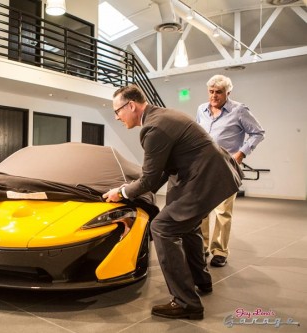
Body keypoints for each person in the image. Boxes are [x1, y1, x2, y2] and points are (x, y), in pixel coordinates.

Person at [102, 85, 243, 320]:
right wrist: (142, 191)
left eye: (117, 111)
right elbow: (163, 171)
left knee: (163, 228)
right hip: (212, 173)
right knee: (188, 225)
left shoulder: (153, 128)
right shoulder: (162, 116)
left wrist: (123, 192)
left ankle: (186, 303)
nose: (117, 117)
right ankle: (202, 281)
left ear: (131, 106)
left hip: (205, 177)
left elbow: (148, 178)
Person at [196, 74, 265, 267]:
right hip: (203, 166)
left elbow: (258, 133)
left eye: (219, 92)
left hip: (227, 167)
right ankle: (202, 246)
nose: (214, 96)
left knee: (222, 211)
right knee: (201, 210)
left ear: (228, 92)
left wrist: (241, 154)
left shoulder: (239, 110)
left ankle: (219, 251)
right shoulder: (202, 109)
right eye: (211, 92)